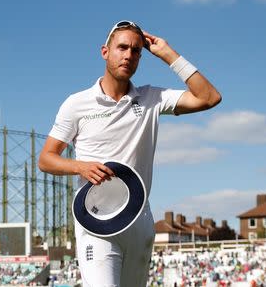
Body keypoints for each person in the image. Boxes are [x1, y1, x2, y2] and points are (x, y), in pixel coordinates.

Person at [38, 20, 222, 286]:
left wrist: (168, 54)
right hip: (95, 221)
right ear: (105, 51)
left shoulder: (152, 98)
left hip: (139, 220)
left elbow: (209, 97)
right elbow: (46, 159)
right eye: (122, 47)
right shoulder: (76, 104)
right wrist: (81, 167)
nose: (128, 55)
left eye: (136, 51)